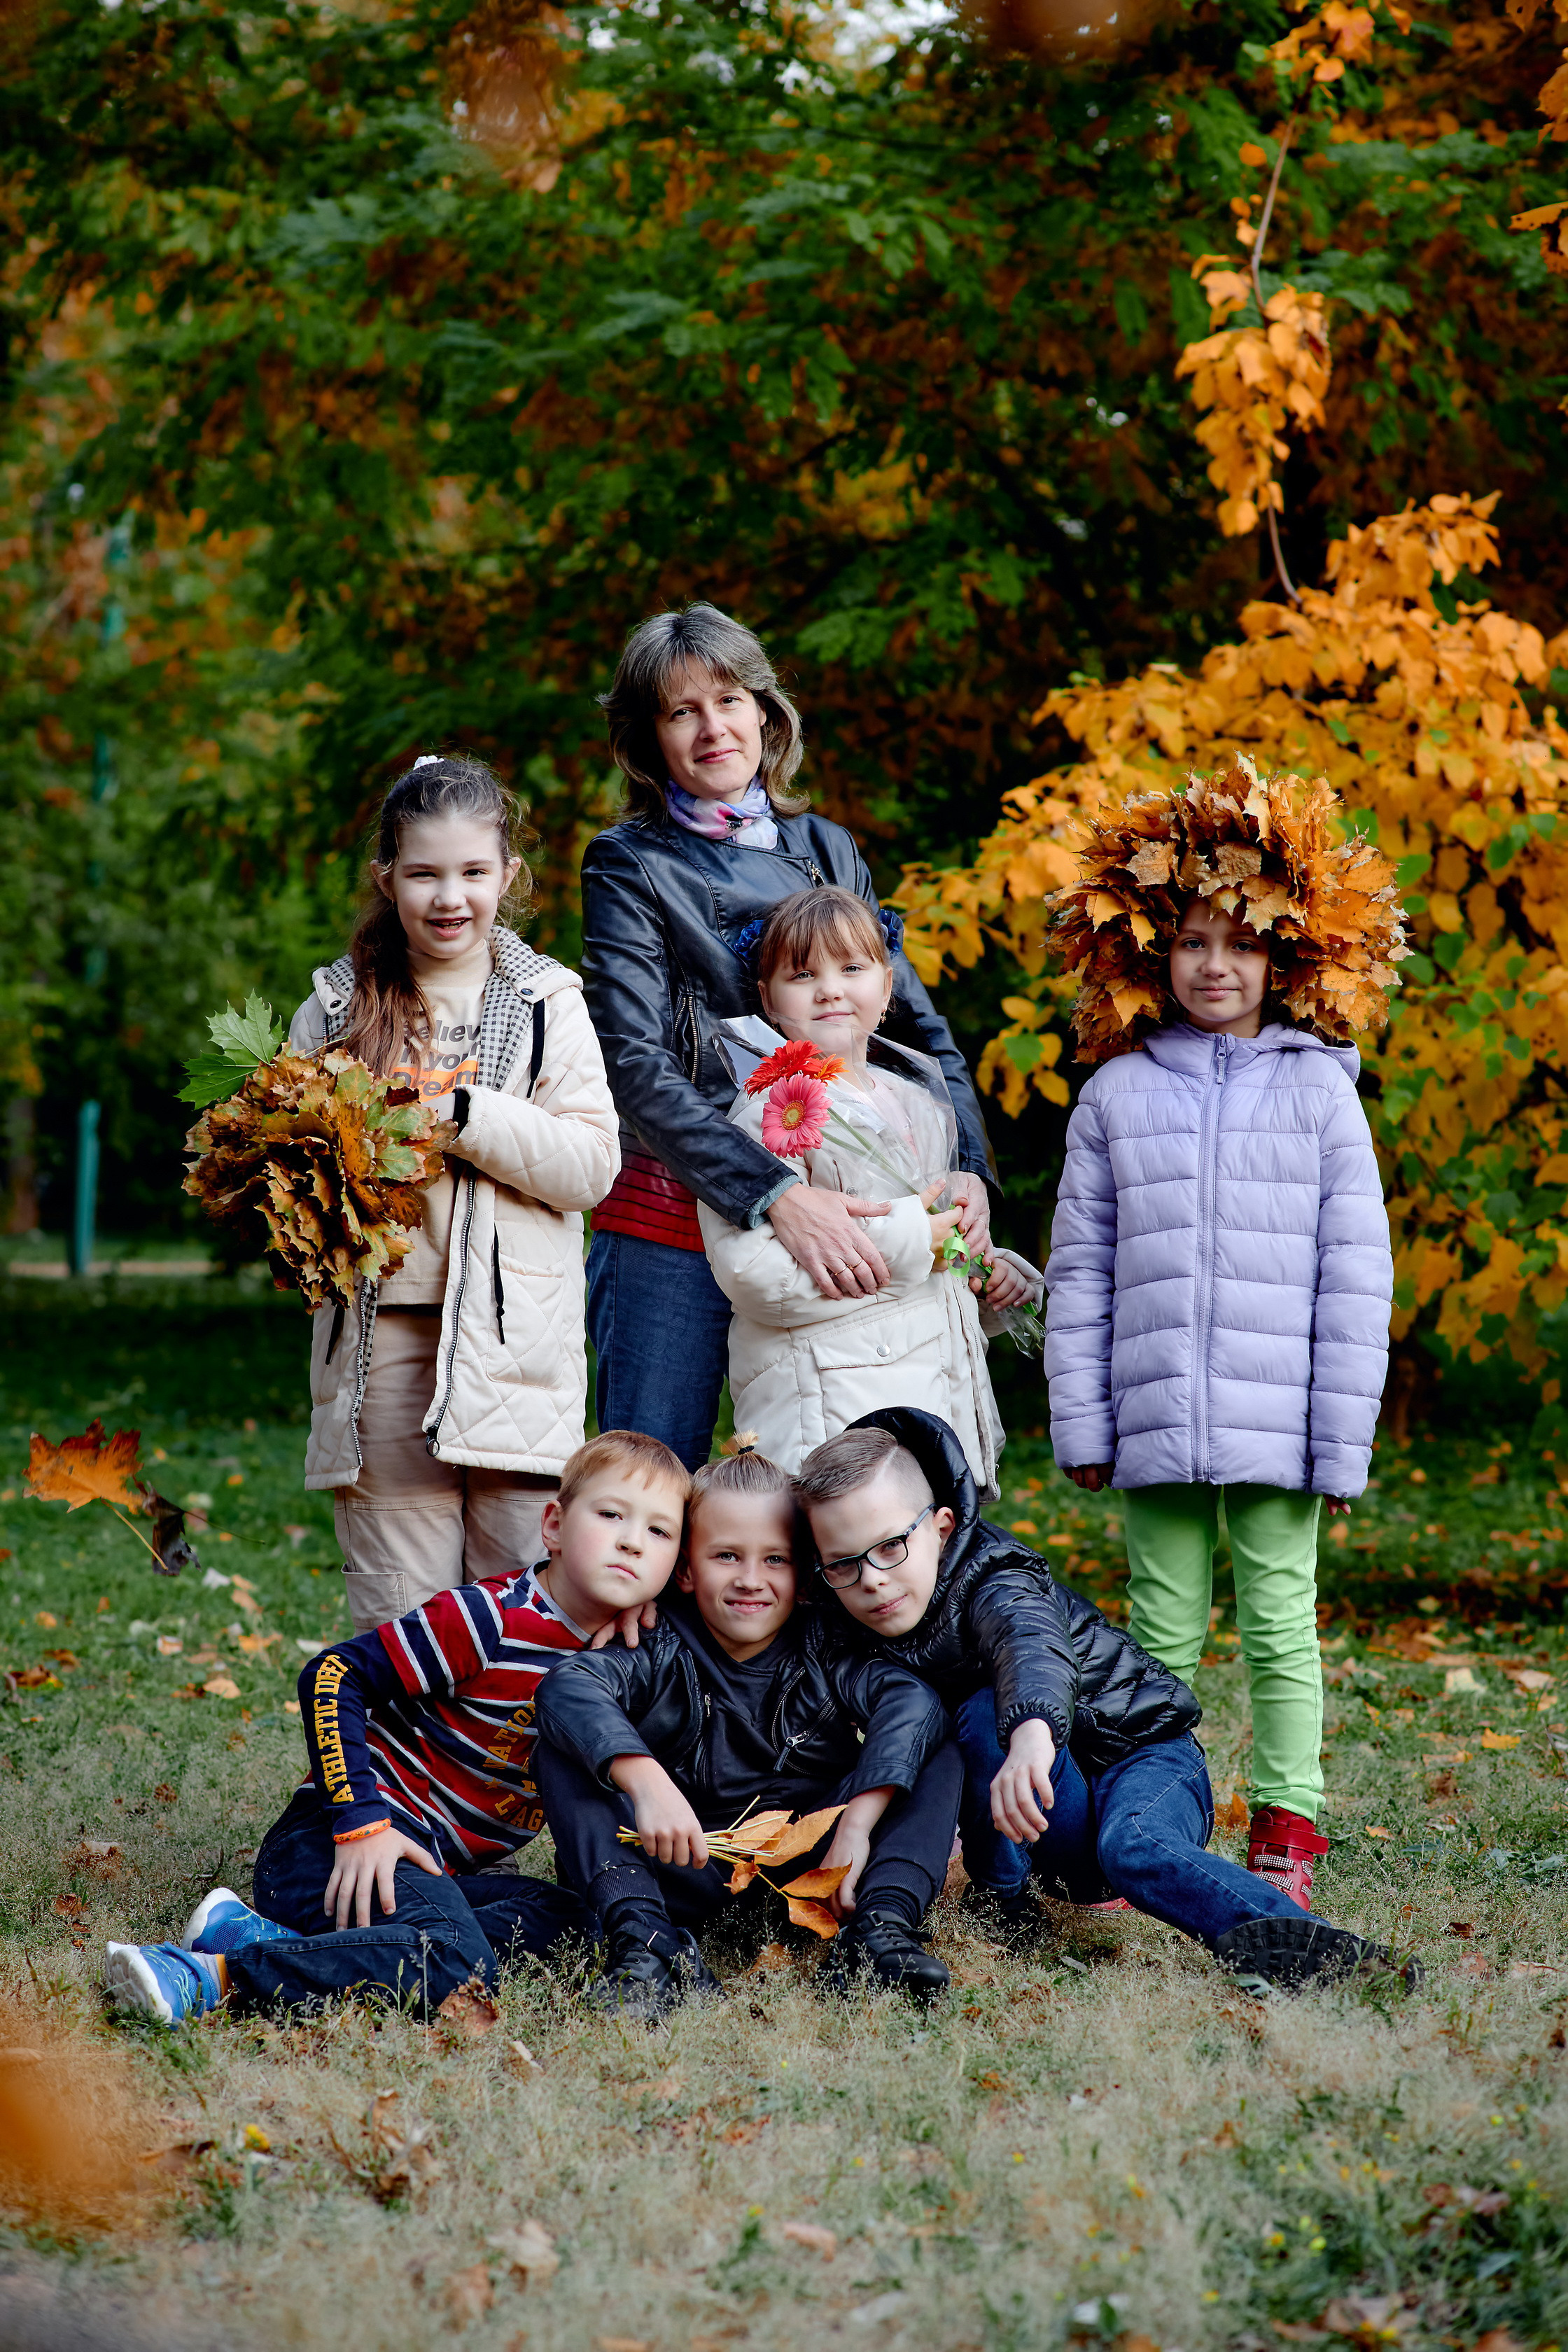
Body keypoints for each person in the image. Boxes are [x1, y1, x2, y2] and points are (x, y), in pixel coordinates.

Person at [1041, 760, 1399, 1907]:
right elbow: (1080, 1271)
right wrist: (1083, 1418)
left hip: (1278, 1426)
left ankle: (1289, 1826)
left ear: (1282, 961)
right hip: (1152, 1417)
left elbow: (1355, 1283)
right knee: (1154, 1637)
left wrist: (1339, 1444)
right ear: (1155, 953)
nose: (1214, 964)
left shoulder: (1322, 1093)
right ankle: (1140, 1817)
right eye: (1192, 941)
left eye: (1240, 945)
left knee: (1281, 1622)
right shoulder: (1114, 1095)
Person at [580, 601, 997, 1469]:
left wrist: (971, 1169)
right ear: (646, 737)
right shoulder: (627, 862)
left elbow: (916, 1029)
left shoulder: (827, 847)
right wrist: (772, 1191)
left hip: (845, 1206)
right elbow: (634, 1064)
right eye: (679, 711)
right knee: (652, 1480)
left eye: (728, 700)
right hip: (674, 1214)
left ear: (766, 713)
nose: (710, 729)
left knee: (846, 1475)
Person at [798, 1408, 1415, 1994]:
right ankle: (1003, 1902)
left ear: (941, 1527)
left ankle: (1311, 1946)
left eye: (889, 1548)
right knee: (976, 1718)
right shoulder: (847, 1626)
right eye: (843, 1565)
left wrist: (1034, 1730)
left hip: (1141, 1755)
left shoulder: (997, 1577)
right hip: (1052, 1812)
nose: (872, 1578)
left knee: (1132, 1841)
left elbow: (1031, 1643)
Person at [103, 1431, 689, 2026]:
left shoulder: (632, 1657)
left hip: (434, 1874)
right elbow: (331, 1676)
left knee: (587, 1924)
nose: (631, 1542)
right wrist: (361, 1824)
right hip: (334, 1848)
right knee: (460, 1967)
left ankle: (252, 1936)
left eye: (659, 1532)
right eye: (611, 1514)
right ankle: (208, 1978)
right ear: (555, 1526)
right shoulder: (490, 1619)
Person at [290, 752, 620, 1632]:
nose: (450, 897)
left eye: (473, 872)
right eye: (424, 873)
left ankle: (516, 1772)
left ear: (507, 876)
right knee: (404, 1601)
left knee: (523, 1590)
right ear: (385, 877)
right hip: (381, 1339)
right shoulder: (332, 1007)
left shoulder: (548, 1001)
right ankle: (401, 1772)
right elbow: (288, 1180)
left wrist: (464, 1111)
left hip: (518, 1347)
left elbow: (590, 1166)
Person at [532, 1446, 962, 2017]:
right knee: (559, 1751)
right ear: (686, 1568)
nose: (750, 1580)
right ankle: (647, 1945)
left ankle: (882, 1928)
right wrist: (647, 1784)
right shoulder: (658, 1643)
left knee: (936, 1744)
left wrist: (856, 1826)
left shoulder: (824, 1646)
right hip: (684, 1864)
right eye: (727, 1556)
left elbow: (911, 1701)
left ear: (805, 1575)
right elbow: (566, 1687)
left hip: (815, 1865)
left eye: (776, 1560)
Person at [697, 887, 1039, 1492]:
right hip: (831, 1415)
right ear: (769, 1001)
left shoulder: (922, 1102)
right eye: (803, 974)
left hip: (935, 1415)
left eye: (852, 969)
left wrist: (982, 1277)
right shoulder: (770, 1115)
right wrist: (914, 1241)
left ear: (886, 989)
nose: (830, 989)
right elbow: (756, 1279)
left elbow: (934, 1262)